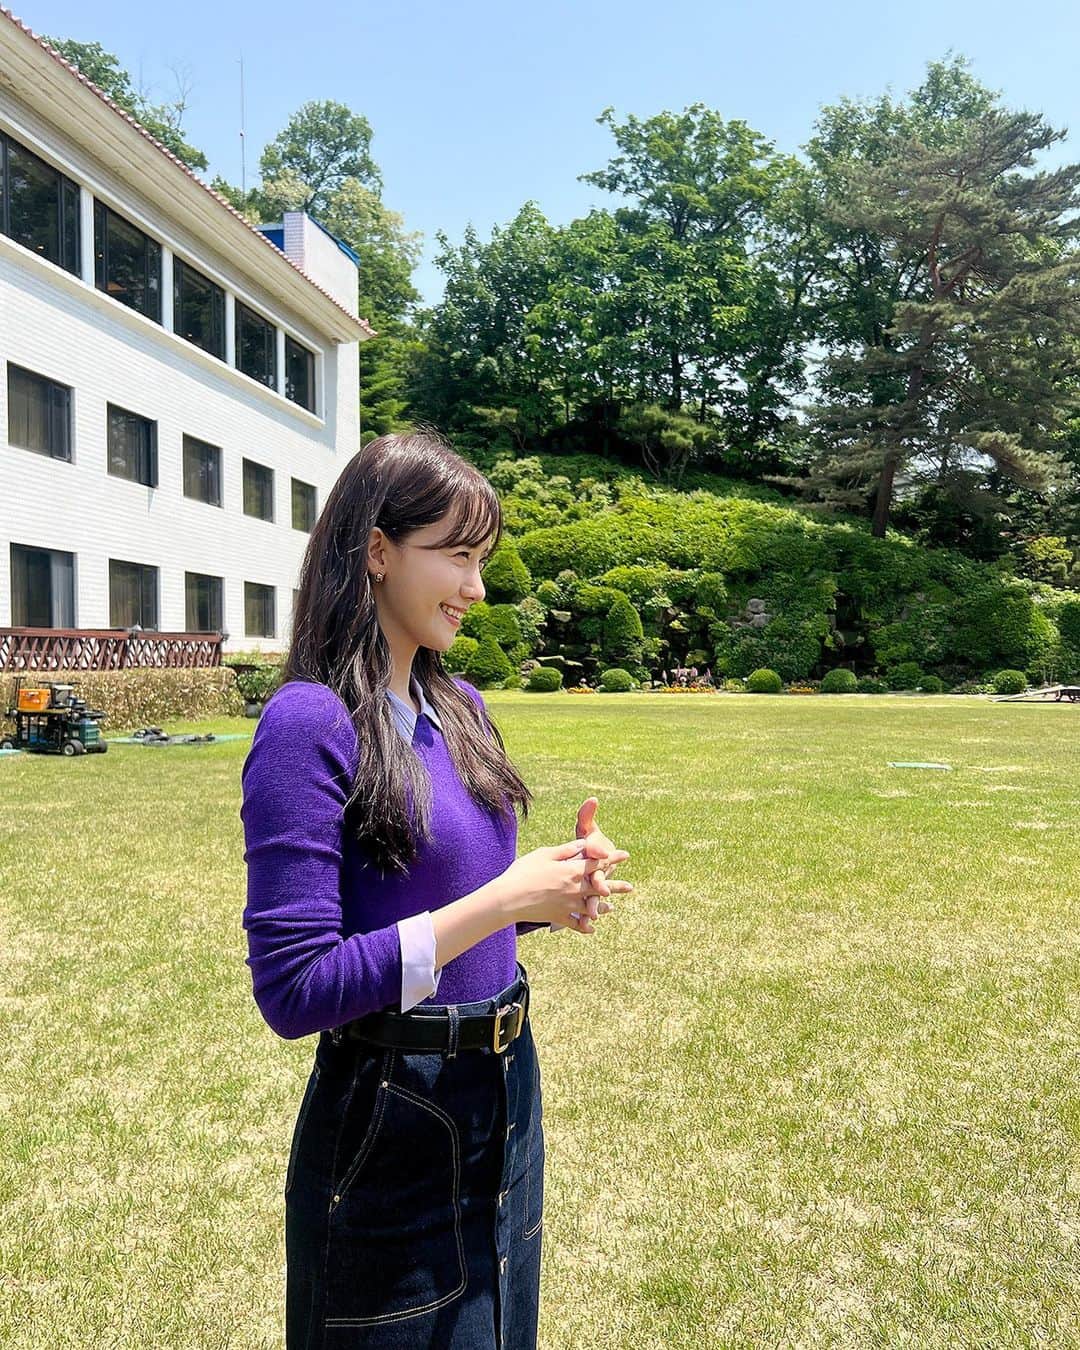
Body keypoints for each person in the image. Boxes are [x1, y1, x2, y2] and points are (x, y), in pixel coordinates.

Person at [239, 428, 633, 1349]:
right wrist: (503, 900)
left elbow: (443, 908)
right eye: (457, 555)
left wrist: (547, 895)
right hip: (391, 1115)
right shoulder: (309, 723)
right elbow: (294, 987)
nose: (477, 588)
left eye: (481, 560)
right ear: (377, 551)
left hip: (506, 1089)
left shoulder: (460, 708)